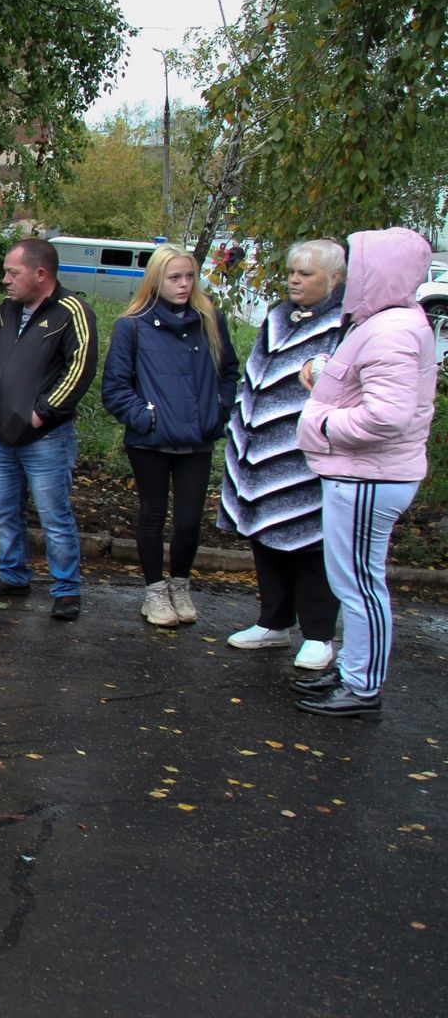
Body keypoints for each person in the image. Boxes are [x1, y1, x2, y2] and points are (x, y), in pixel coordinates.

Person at [291, 227, 437, 720]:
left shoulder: (392, 328)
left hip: (369, 477)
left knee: (359, 585)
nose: (351, 273)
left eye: (360, 263)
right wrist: (326, 367)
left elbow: (387, 416)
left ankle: (362, 686)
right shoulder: (389, 322)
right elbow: (370, 380)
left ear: (382, 270)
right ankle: (355, 671)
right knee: (351, 580)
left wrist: (323, 423)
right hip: (364, 474)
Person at [219, 240, 346, 669]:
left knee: (310, 542)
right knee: (266, 535)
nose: (294, 279)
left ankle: (319, 635)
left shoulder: (343, 325)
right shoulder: (276, 316)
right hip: (259, 449)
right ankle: (273, 623)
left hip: (307, 454)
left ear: (335, 279)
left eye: (306, 273)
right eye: (292, 271)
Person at [100, 245, 239, 626]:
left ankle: (180, 584)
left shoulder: (210, 319)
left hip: (197, 436)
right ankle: (155, 591)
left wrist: (219, 409)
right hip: (151, 439)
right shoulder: (132, 325)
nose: (183, 284)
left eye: (189, 276)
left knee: (190, 520)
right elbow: (114, 387)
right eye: (174, 277)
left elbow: (229, 372)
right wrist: (145, 417)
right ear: (156, 280)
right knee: (152, 514)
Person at [0, 238, 99, 620]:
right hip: (2, 433)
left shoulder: (72, 310)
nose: (6, 280)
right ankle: (13, 575)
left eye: (13, 272)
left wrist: (43, 413)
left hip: (46, 438)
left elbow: (81, 368)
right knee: (5, 511)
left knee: (54, 516)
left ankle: (66, 590)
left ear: (40, 274)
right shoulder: (8, 310)